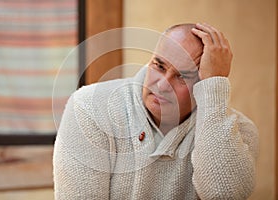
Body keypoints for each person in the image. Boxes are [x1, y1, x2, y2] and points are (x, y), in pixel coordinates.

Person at [53, 23, 259, 199]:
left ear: (204, 83)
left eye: (182, 77)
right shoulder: (89, 107)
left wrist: (215, 87)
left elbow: (222, 194)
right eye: (159, 66)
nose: (161, 85)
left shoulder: (240, 132)